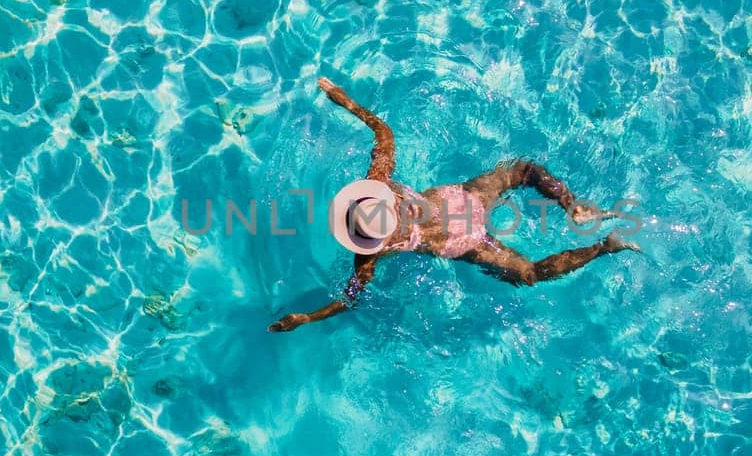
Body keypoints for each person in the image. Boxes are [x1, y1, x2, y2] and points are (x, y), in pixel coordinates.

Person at [269, 77, 640, 332]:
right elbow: (383, 132)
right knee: (522, 172)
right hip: (466, 197)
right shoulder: (379, 181)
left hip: (464, 243)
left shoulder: (368, 257)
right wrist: (341, 96)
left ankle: (604, 247)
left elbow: (348, 299)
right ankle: (572, 206)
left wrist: (306, 318)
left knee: (529, 273)